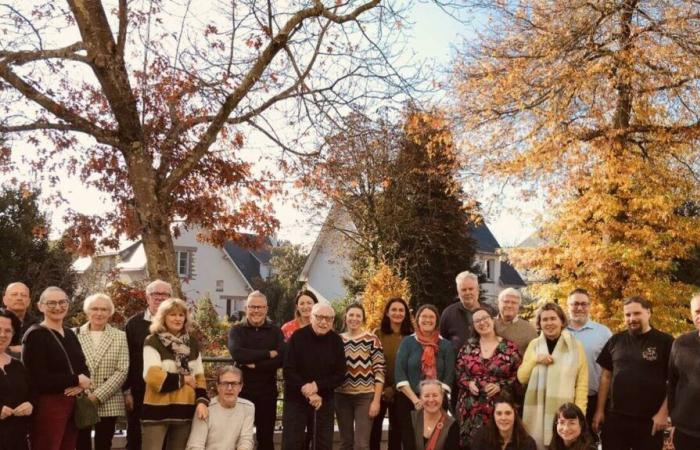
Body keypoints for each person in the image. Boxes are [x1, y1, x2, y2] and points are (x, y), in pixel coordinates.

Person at [592, 296, 673, 450]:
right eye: (627, 315)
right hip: (616, 418)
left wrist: (663, 413)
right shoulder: (615, 341)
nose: (632, 318)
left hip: (650, 421)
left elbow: (674, 381)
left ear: (648, 313)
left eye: (637, 313)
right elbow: (605, 376)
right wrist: (599, 410)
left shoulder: (666, 342)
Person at [23, 286, 91, 450]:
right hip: (48, 406)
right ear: (40, 306)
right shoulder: (35, 335)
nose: (58, 307)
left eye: (62, 302)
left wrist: (80, 383)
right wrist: (75, 380)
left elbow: (82, 367)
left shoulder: (70, 334)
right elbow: (38, 378)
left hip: (72, 403)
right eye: (51, 303)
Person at [517, 302, 588, 450]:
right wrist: (536, 359)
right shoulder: (534, 345)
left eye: (553, 318)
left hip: (565, 415)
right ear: (539, 323)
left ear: (561, 321)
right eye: (545, 319)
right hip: (536, 412)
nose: (549, 323)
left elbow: (582, 383)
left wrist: (580, 414)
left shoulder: (576, 346)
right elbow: (522, 377)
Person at [141, 298, 209, 450]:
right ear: (163, 317)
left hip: (185, 410)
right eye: (172, 314)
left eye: (181, 315)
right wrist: (184, 379)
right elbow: (152, 376)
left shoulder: (192, 343)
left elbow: (199, 377)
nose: (177, 318)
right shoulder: (152, 341)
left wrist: (202, 401)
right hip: (157, 410)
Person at [282, 302, 345, 450]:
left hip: (324, 401)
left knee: (322, 444)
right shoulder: (297, 337)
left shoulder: (336, 341)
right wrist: (307, 390)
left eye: (328, 319)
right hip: (296, 400)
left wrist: (317, 385)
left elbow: (340, 374)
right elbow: (288, 370)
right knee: (292, 443)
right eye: (320, 317)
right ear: (311, 317)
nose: (324, 322)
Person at [456, 307, 521, 448]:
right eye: (477, 320)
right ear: (473, 326)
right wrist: (468, 383)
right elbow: (459, 373)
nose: (482, 322)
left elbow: (518, 376)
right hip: (470, 410)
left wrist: (501, 385)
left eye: (485, 318)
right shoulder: (468, 347)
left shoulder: (509, 348)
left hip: (498, 411)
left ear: (492, 320)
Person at [228, 291, 284, 450]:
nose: (256, 311)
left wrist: (256, 364)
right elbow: (237, 353)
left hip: (267, 393)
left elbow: (282, 358)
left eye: (260, 307)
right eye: (252, 307)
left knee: (265, 440)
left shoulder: (275, 331)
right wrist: (267, 353)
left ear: (266, 309)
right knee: (238, 438)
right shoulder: (237, 330)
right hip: (242, 393)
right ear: (246, 308)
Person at [396, 304, 456, 450]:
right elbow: (399, 372)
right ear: (417, 319)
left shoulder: (446, 345)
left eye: (431, 317)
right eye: (424, 316)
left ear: (437, 320)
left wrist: (436, 398)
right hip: (410, 401)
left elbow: (449, 375)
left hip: (436, 401)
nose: (427, 320)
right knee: (410, 443)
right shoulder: (407, 342)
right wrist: (416, 400)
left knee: (438, 442)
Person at [74, 293, 129, 450]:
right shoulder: (73, 334)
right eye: (95, 308)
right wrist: (84, 394)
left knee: (104, 444)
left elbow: (122, 370)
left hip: (108, 400)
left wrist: (97, 396)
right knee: (81, 444)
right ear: (87, 311)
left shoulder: (121, 337)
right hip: (80, 399)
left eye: (104, 309)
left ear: (110, 312)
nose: (99, 313)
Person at [124, 279, 173, 450]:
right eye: (155, 294)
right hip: (140, 392)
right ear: (147, 297)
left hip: (170, 391)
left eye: (164, 294)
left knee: (166, 439)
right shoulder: (133, 324)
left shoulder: (177, 323)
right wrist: (126, 390)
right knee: (136, 438)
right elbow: (126, 359)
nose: (159, 298)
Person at [335, 303, 385, 450]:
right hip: (341, 396)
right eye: (351, 315)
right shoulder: (337, 339)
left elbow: (380, 370)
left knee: (362, 444)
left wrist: (376, 401)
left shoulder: (372, 339)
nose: (354, 318)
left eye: (358, 315)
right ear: (345, 317)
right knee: (346, 442)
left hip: (365, 397)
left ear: (363, 319)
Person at [370, 297, 414, 450]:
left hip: (401, 391)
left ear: (406, 314)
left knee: (397, 432)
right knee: (373, 431)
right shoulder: (377, 334)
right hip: (378, 391)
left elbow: (411, 368)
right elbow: (372, 363)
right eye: (393, 310)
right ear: (387, 313)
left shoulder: (412, 337)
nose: (397, 313)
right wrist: (382, 389)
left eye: (401, 310)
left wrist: (393, 388)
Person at [565, 288, 611, 429]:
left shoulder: (604, 333)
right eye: (575, 304)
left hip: (594, 400)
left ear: (590, 306)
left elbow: (609, 371)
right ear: (568, 306)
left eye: (584, 304)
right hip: (563, 397)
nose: (579, 308)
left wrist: (600, 410)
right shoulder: (558, 331)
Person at [186, 365, 255, 450]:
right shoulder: (205, 408)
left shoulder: (248, 407)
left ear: (240, 387)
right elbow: (195, 445)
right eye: (225, 383)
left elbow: (246, 441)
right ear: (218, 386)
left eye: (234, 383)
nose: (229, 388)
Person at [667, 292, 700, 450]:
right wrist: (674, 422)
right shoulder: (680, 344)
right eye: (697, 312)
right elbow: (672, 384)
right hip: (686, 431)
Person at [0, 308, 34, 450]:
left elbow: (32, 394)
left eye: (8, 330)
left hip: (17, 441)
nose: (2, 334)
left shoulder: (18, 365)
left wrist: (31, 405)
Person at [440, 271, 497, 351]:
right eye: (463, 290)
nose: (468, 292)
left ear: (477, 290)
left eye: (471, 289)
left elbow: (498, 338)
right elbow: (441, 343)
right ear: (458, 293)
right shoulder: (448, 314)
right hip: (456, 362)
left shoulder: (491, 312)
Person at [470, 393, 537, 450]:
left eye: (508, 413)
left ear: (515, 414)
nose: (503, 418)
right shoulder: (481, 437)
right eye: (499, 413)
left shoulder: (528, 444)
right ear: (493, 415)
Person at [408, 380, 459, 450]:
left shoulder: (452, 424)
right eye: (426, 396)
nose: (431, 400)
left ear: (442, 397)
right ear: (420, 398)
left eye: (435, 395)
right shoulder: (411, 419)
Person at [494, 288, 537, 356]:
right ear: (498, 303)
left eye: (514, 303)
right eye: (506, 301)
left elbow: (536, 354)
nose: (509, 305)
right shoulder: (488, 324)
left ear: (518, 306)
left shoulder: (529, 329)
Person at [3, 282, 36, 357]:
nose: (19, 298)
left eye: (23, 295)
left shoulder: (37, 325)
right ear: (4, 300)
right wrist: (9, 350)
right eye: (14, 294)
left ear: (28, 302)